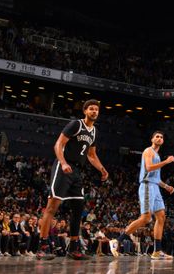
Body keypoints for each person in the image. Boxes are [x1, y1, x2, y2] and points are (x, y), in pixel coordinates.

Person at [37, 99, 108, 260]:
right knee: (52, 207)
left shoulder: (94, 131)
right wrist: (62, 163)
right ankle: (42, 246)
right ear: (85, 111)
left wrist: (102, 169)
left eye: (96, 109)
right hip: (64, 167)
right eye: (91, 109)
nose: (94, 112)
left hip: (77, 171)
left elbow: (91, 155)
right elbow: (58, 144)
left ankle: (74, 248)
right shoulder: (76, 124)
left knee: (78, 209)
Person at [110, 131, 174, 260]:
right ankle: (117, 240)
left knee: (161, 217)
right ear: (152, 139)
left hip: (155, 187)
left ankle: (157, 251)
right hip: (147, 186)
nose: (159, 138)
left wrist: (166, 186)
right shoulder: (148, 151)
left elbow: (156, 177)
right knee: (146, 218)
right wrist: (166, 162)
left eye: (162, 137)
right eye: (157, 136)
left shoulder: (157, 154)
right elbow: (149, 167)